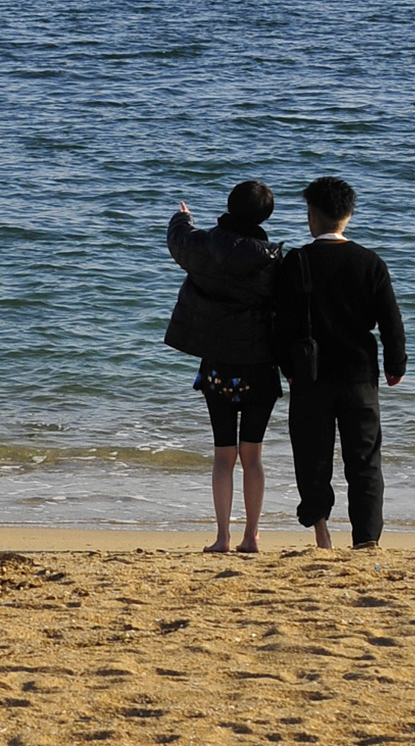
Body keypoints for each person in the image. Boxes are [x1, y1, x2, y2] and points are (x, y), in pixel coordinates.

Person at [277, 176, 407, 551]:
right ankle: (367, 538)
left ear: (311, 217)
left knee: (312, 457)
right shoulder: (370, 262)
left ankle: (321, 533)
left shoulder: (296, 261)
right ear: (348, 215)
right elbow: (390, 320)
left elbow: (281, 322)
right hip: (358, 374)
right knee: (364, 459)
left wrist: (286, 366)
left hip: (310, 375)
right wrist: (395, 363)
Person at [165, 180, 283, 554]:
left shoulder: (203, 246)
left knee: (222, 455)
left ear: (230, 207)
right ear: (265, 216)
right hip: (260, 367)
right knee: (253, 455)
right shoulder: (271, 259)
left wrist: (181, 218)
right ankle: (251, 536)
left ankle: (222, 537)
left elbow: (179, 241)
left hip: (217, 365)